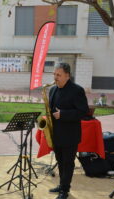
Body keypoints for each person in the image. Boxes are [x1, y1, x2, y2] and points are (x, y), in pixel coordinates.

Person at [48, 63, 89, 199]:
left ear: (67, 76)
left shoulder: (77, 90)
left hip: (70, 135)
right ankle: (62, 185)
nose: (55, 77)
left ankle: (65, 190)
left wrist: (63, 114)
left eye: (58, 75)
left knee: (68, 163)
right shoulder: (53, 90)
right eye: (54, 74)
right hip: (57, 134)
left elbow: (83, 112)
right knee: (60, 162)